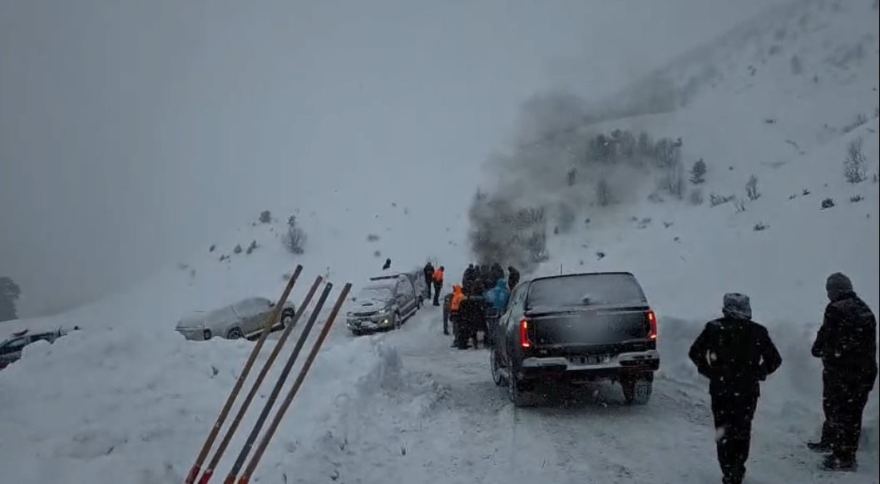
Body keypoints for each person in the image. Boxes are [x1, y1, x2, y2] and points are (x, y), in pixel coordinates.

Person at [688, 293, 782, 484]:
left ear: (726, 307)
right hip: (747, 390)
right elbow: (775, 359)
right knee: (742, 430)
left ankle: (728, 470)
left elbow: (694, 352)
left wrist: (710, 371)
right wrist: (758, 373)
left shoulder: (714, 328)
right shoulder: (758, 331)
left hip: (721, 389)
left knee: (723, 430)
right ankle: (738, 468)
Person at [809, 272, 878, 471]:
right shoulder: (865, 309)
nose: (828, 295)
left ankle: (843, 456)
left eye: (829, 290)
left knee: (836, 409)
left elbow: (826, 336)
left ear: (835, 291)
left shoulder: (836, 309)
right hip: (864, 372)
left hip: (842, 372)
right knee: (852, 412)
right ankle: (837, 446)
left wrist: (818, 349)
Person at [483, 278, 510, 345]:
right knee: (498, 327)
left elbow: (484, 298)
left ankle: (490, 340)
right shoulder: (506, 292)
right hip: (499, 312)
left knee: (491, 327)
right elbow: (507, 303)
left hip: (489, 311)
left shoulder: (490, 291)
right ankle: (496, 340)